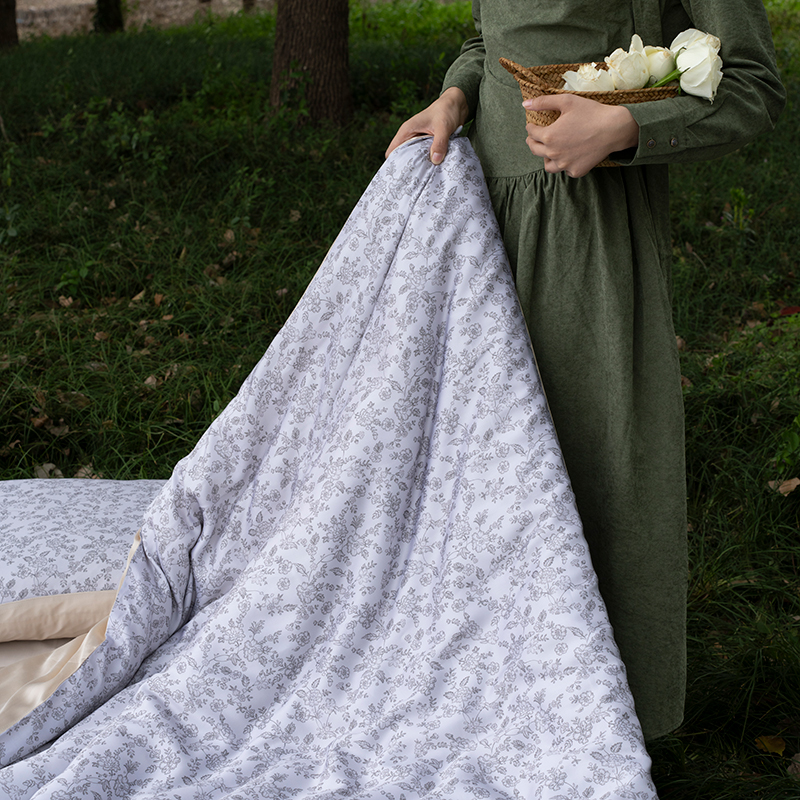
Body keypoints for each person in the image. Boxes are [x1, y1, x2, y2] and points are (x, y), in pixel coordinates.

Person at [387, 0, 785, 742]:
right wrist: (454, 97)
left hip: (586, 229)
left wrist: (627, 127)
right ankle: (481, 701)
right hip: (479, 224)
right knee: (475, 476)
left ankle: (593, 718)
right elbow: (489, 39)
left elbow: (753, 85)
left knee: (594, 465)